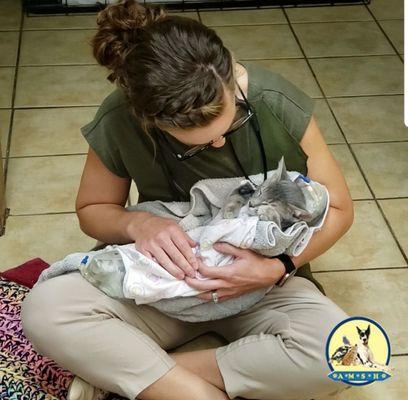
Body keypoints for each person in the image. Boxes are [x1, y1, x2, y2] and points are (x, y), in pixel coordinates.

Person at [20, 1, 355, 399]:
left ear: (232, 79)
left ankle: (144, 376)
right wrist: (137, 224)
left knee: (343, 357)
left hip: (259, 286)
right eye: (196, 147)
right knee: (45, 310)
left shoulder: (276, 102)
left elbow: (339, 209)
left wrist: (278, 266)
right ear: (149, 120)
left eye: (230, 127)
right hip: (162, 286)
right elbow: (92, 210)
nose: (218, 144)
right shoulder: (119, 117)